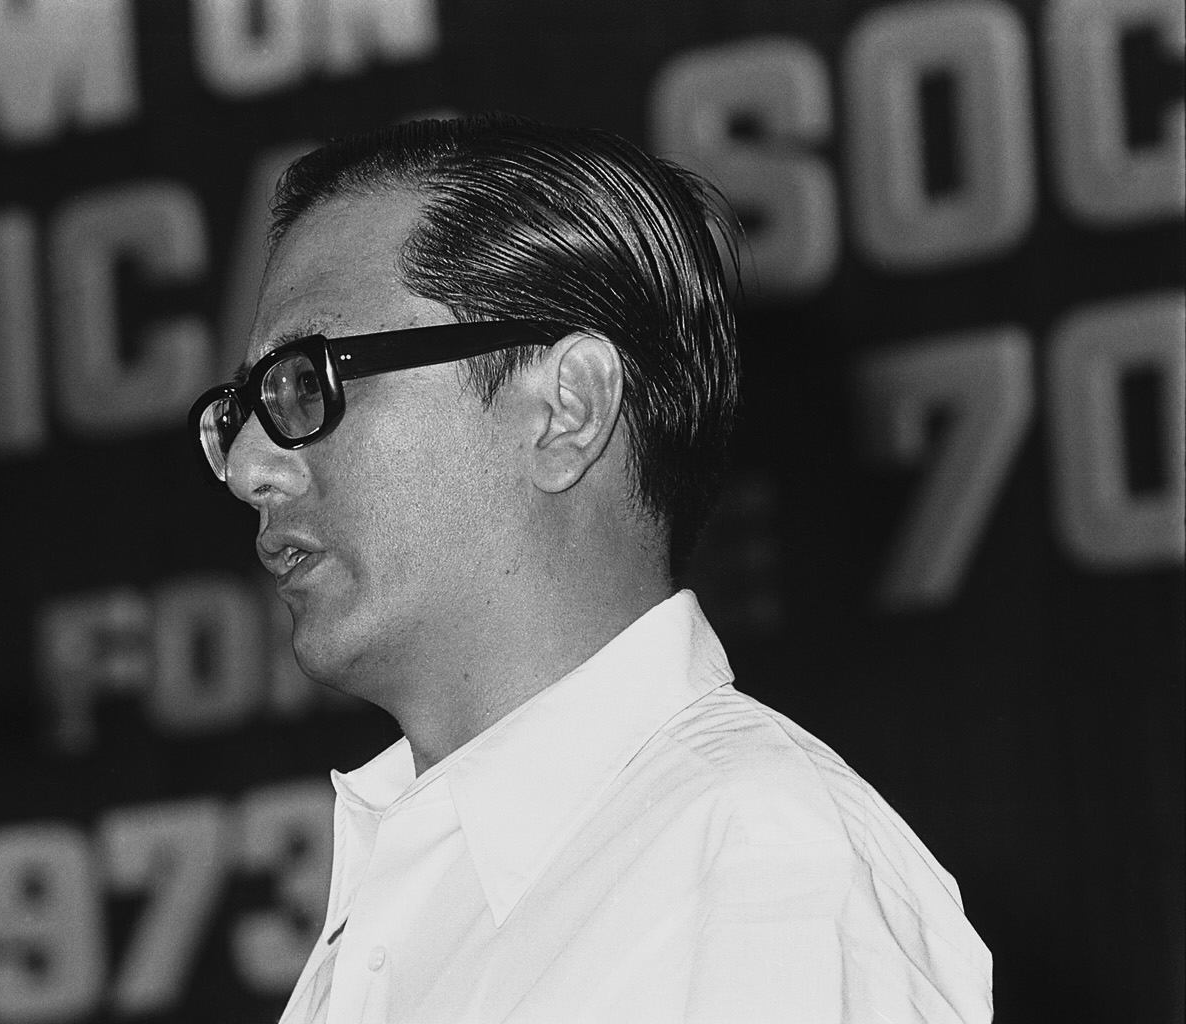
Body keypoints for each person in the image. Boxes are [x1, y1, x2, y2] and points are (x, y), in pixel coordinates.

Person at [190, 115, 993, 1023]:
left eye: (307, 382)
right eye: (240, 410)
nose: (249, 466)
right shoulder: (410, 891)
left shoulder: (753, 865)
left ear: (567, 407)